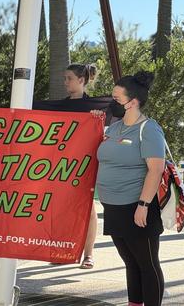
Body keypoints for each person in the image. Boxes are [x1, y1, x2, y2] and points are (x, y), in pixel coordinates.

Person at [93, 71, 165, 306]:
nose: (111, 103)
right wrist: (93, 120)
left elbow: (155, 170)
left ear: (132, 102)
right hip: (113, 206)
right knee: (130, 262)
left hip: (137, 206)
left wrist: (143, 205)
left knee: (147, 264)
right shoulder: (113, 129)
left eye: (116, 99)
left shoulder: (149, 129)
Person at [64, 63, 98, 269]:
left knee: (89, 209)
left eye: (69, 78)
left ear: (81, 81)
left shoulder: (94, 106)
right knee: (62, 208)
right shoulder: (60, 106)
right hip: (62, 163)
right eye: (64, 78)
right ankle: (64, 250)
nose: (65, 82)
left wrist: (96, 119)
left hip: (86, 162)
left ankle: (88, 255)